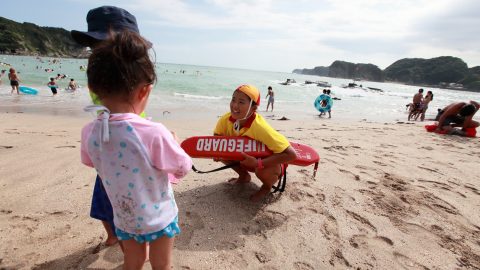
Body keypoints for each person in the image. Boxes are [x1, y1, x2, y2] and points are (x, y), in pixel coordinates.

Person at [81, 30, 192, 269]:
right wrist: (173, 142)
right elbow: (183, 167)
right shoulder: (153, 132)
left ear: (93, 87)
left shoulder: (90, 131)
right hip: (159, 218)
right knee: (161, 265)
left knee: (133, 262)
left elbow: (91, 161)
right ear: (145, 90)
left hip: (124, 218)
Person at [71, 5, 149, 249]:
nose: (104, 54)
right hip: (106, 139)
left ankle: (133, 239)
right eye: (97, 47)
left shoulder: (139, 71)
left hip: (134, 138)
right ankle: (113, 234)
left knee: (135, 196)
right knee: (103, 194)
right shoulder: (98, 71)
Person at [213, 84, 297, 201]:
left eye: (241, 102)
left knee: (263, 171)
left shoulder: (260, 127)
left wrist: (258, 163)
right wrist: (215, 152)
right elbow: (216, 138)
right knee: (222, 152)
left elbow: (291, 155)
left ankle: (266, 187)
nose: (234, 105)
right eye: (233, 100)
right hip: (246, 159)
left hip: (267, 164)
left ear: (253, 109)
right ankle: (244, 176)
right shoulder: (225, 119)